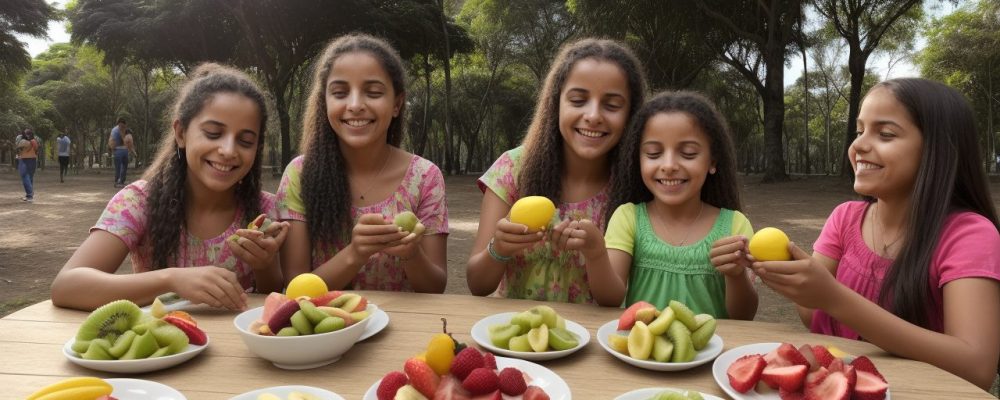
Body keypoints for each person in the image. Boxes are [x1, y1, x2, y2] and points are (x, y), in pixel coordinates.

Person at [753, 78, 1000, 391]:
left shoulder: (969, 236)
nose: (859, 146)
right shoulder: (844, 218)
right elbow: (814, 316)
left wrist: (835, 297)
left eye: (885, 134)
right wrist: (797, 285)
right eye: (859, 131)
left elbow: (976, 367)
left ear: (937, 150)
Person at [51, 63, 290, 311]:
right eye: (212, 133)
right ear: (181, 133)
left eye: (245, 140)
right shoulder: (139, 202)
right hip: (161, 347)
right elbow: (66, 286)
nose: (228, 150)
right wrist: (171, 279)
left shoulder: (266, 212)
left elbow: (270, 303)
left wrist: (265, 265)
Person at [466, 38, 648, 304]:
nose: (593, 115)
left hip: (593, 342)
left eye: (611, 105)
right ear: (556, 103)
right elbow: (477, 284)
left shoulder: (638, 185)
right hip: (516, 341)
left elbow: (616, 297)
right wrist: (499, 248)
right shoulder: (513, 169)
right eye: (578, 100)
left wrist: (596, 254)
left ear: (631, 114)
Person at [557, 91, 758, 318]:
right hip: (640, 352)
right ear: (639, 159)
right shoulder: (628, 217)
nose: (669, 165)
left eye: (688, 153)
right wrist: (595, 254)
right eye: (654, 154)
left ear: (712, 161)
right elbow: (609, 298)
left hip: (713, 353)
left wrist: (736, 275)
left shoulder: (734, 225)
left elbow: (745, 316)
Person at [276, 34, 448, 293]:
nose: (355, 105)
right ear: (325, 102)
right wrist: (355, 254)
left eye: (374, 92)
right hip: (326, 331)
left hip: (403, 330)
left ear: (397, 104)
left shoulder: (425, 177)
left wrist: (412, 255)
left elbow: (435, 287)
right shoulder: (300, 174)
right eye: (340, 92)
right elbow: (295, 288)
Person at [109, 117, 135, 188]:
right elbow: (112, 141)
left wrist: (113, 149)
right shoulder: (119, 130)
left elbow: (111, 141)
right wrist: (131, 150)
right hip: (120, 150)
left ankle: (120, 181)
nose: (122, 127)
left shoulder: (117, 130)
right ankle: (119, 181)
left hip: (121, 150)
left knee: (122, 166)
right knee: (121, 167)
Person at [15, 128, 39, 202]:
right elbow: (36, 149)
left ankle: (30, 195)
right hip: (33, 160)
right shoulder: (34, 141)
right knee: (29, 178)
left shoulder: (23, 141)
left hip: (25, 160)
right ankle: (29, 195)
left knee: (25, 177)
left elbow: (17, 147)